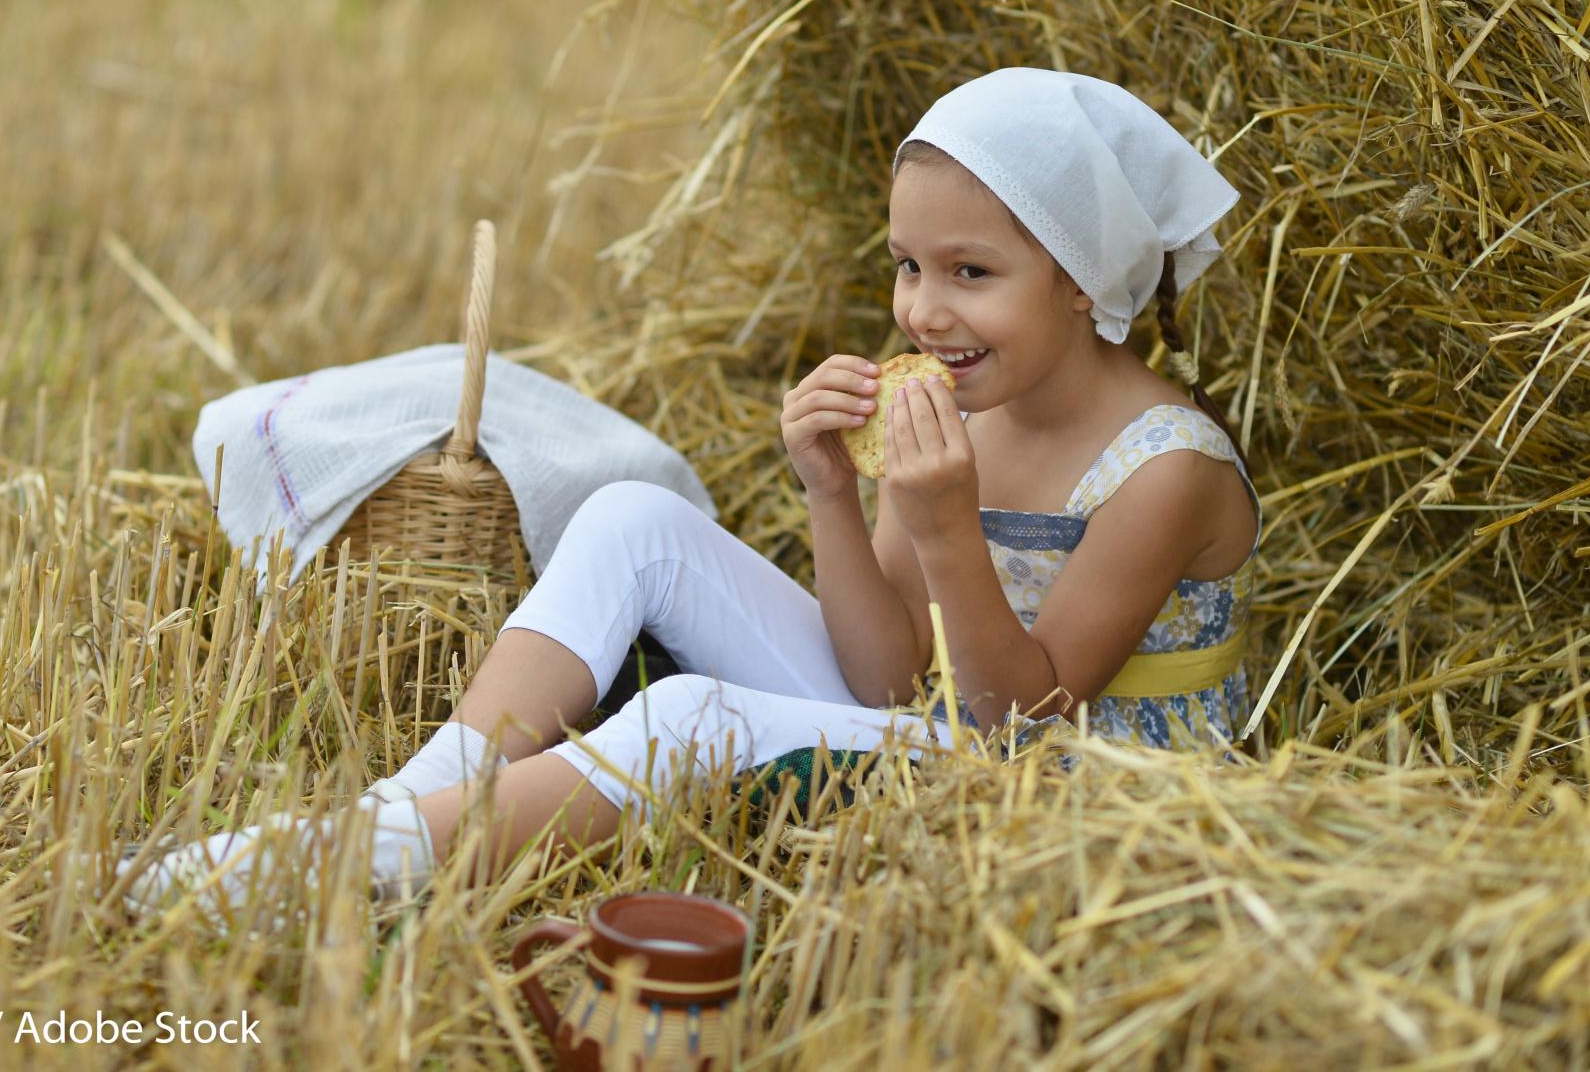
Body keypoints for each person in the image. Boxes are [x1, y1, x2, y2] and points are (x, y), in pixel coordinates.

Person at [114, 67, 1265, 927]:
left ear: (1082, 281)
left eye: (972, 272)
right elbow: (887, 678)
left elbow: (1020, 723)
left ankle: (315, 872)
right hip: (944, 722)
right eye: (908, 265)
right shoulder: (959, 407)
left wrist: (944, 529)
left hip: (1083, 792)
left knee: (689, 721)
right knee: (632, 519)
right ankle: (419, 800)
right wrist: (829, 493)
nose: (922, 310)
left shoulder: (1166, 468)